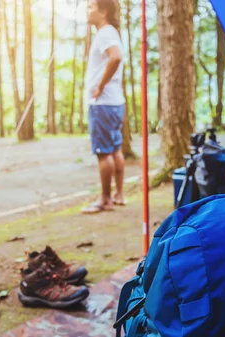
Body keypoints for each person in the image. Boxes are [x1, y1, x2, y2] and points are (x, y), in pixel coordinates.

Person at [82, 0, 126, 214]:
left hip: (104, 103)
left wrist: (99, 86)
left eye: (91, 7)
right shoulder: (108, 32)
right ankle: (118, 194)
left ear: (104, 11)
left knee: (103, 153)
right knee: (115, 149)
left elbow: (115, 57)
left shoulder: (105, 33)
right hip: (114, 101)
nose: (87, 10)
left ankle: (105, 199)